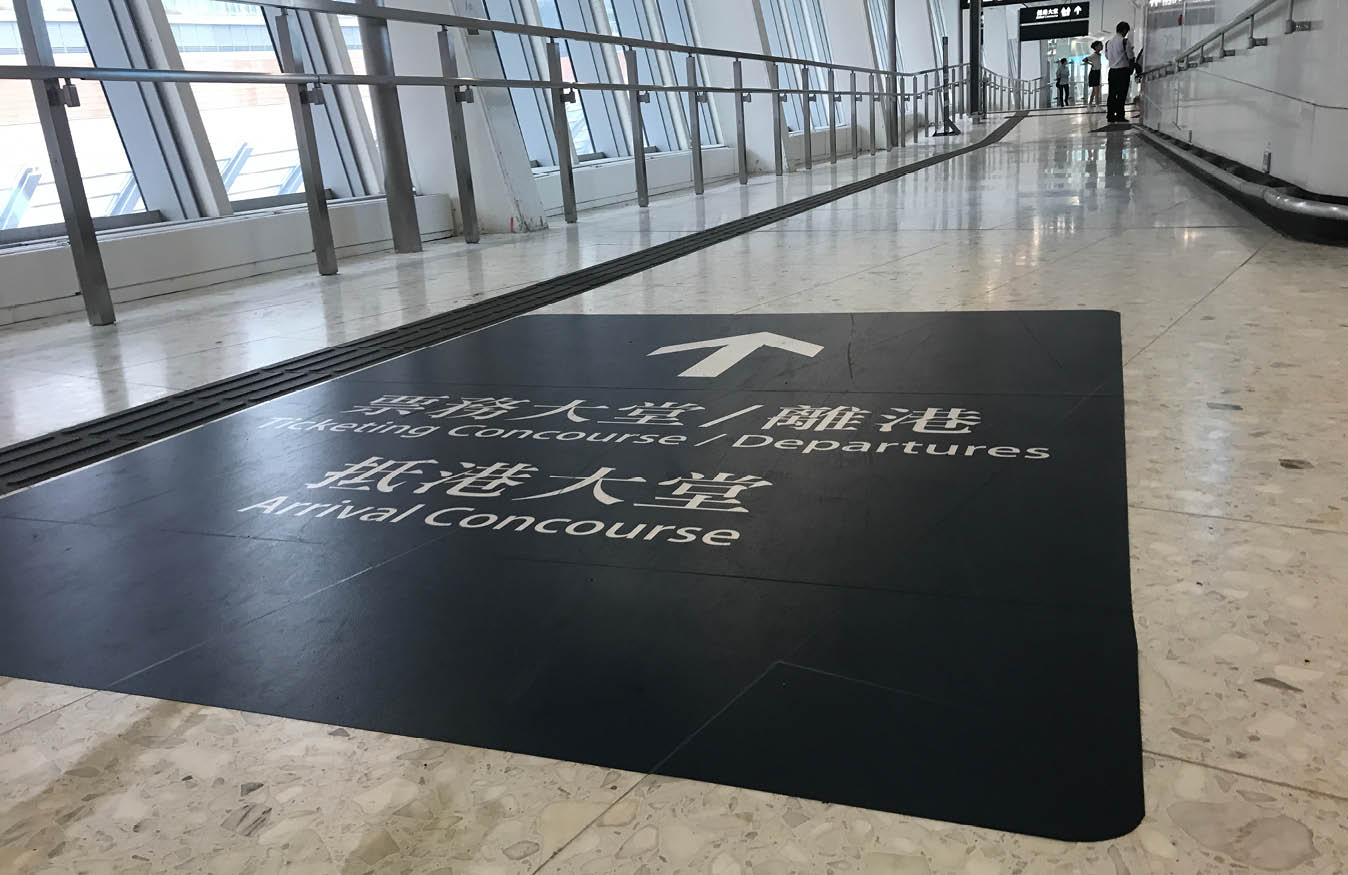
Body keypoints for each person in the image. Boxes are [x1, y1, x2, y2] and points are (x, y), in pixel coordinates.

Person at [1105, 21, 1135, 123]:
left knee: (1112, 94)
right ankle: (1120, 115)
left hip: (1112, 71)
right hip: (1123, 71)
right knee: (1121, 95)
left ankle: (1110, 115)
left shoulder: (1108, 42)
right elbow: (1131, 56)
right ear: (1124, 30)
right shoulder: (1124, 41)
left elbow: (1107, 57)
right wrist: (1131, 68)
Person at [1084, 41, 1104, 107]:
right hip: (1094, 73)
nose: (1101, 46)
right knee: (1096, 90)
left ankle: (1090, 104)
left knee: (1094, 91)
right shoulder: (1094, 55)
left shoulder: (1098, 55)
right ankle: (1097, 105)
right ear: (1096, 47)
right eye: (1100, 45)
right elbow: (1084, 59)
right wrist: (1091, 64)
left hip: (1097, 72)